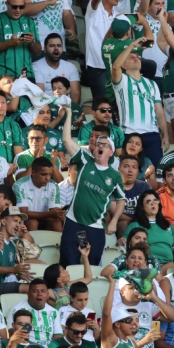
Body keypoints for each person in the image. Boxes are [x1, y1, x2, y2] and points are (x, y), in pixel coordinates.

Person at [59, 108, 125, 266]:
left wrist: (114, 221)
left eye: (105, 144)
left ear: (111, 152)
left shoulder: (115, 175)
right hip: (74, 222)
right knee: (69, 263)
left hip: (95, 227)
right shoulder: (84, 161)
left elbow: (121, 199)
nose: (100, 146)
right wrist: (69, 113)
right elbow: (67, 140)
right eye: (98, 144)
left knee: (93, 264)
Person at [110, 36, 170, 167]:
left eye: (138, 57)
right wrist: (131, 45)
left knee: (156, 171)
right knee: (129, 172)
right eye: (131, 57)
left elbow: (159, 111)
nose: (136, 58)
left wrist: (165, 134)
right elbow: (115, 67)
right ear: (124, 65)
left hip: (152, 135)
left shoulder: (152, 84)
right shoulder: (122, 82)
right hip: (130, 134)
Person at [0, 0, 41, 81]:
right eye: (14, 7)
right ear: (7, 4)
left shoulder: (29, 22)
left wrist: (32, 42)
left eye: (21, 7)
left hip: (26, 74)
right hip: (3, 75)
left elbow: (38, 51)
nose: (18, 10)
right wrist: (10, 43)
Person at [13, 157, 63, 232]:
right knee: (32, 223)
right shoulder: (20, 185)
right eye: (44, 175)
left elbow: (54, 213)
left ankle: (59, 244)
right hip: (26, 221)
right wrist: (49, 214)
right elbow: (23, 213)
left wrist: (55, 214)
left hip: (46, 219)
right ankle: (31, 244)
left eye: (50, 174)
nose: (48, 178)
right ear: (33, 172)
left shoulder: (54, 185)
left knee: (56, 223)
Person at [34, 35, 80, 99]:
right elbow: (39, 95)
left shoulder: (71, 67)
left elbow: (76, 94)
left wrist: (70, 108)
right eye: (52, 46)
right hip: (47, 106)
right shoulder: (36, 66)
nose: (56, 48)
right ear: (45, 49)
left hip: (68, 106)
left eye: (59, 46)